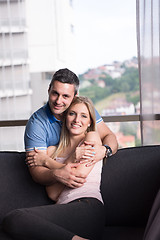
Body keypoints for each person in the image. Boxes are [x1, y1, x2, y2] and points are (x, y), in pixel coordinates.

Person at [3, 96, 105, 240]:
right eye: (72, 114)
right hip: (64, 211)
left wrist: (47, 162)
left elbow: (77, 175)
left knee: (16, 219)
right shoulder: (53, 151)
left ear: (90, 122)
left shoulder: (91, 138)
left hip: (88, 208)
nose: (77, 120)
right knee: (14, 221)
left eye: (83, 116)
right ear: (64, 118)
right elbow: (53, 193)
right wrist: (71, 158)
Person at [24, 68, 118, 189]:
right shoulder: (36, 124)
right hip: (53, 188)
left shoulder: (84, 110)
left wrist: (105, 151)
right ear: (49, 90)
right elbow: (37, 173)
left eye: (65, 96)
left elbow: (109, 136)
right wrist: (58, 174)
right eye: (55, 93)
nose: (58, 101)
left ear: (74, 96)